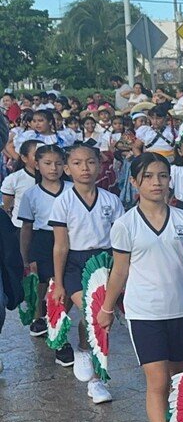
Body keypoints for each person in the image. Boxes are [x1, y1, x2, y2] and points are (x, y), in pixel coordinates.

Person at [97, 154, 183, 422]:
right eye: (148, 177)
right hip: (145, 315)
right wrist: (107, 308)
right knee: (156, 383)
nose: (157, 182)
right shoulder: (125, 224)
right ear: (134, 183)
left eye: (162, 175)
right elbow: (120, 271)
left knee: (175, 382)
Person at [49, 142, 125, 405]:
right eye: (78, 163)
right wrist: (59, 283)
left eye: (91, 162)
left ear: (100, 165)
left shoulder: (111, 200)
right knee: (92, 314)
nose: (85, 168)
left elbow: (119, 243)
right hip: (75, 264)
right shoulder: (63, 202)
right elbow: (60, 245)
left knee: (103, 319)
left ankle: (89, 357)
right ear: (68, 169)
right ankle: (95, 377)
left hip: (104, 262)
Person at [16, 144, 66, 347]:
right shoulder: (31, 194)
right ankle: (39, 316)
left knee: (59, 280)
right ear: (37, 165)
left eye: (58, 163)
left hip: (66, 239)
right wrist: (24, 256)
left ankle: (57, 317)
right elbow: (26, 227)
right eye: (47, 163)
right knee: (42, 281)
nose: (53, 168)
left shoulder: (72, 190)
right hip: (43, 239)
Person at [2, 140, 39, 218]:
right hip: (20, 226)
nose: (41, 159)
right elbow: (6, 206)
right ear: (24, 158)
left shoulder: (53, 178)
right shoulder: (14, 179)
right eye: (36, 155)